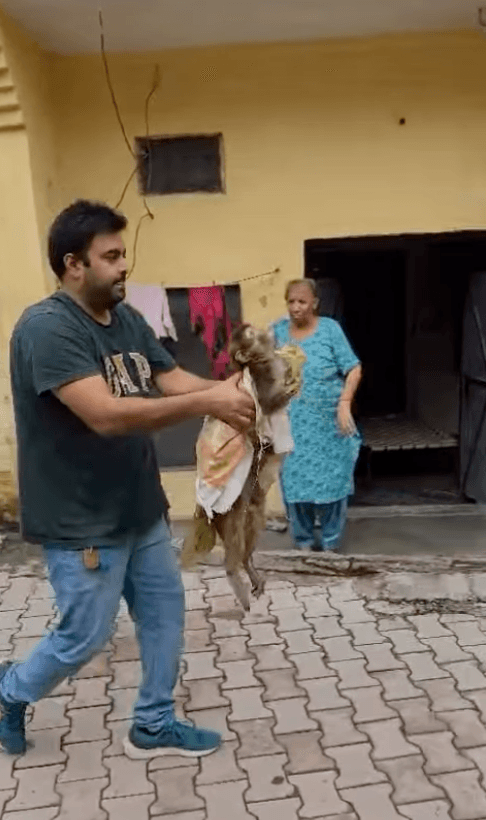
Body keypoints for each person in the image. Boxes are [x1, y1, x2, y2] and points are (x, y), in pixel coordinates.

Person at [1, 199, 255, 759]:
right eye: (110, 256)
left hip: (139, 507)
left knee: (165, 615)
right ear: (73, 264)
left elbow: (171, 379)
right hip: (82, 518)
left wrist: (233, 389)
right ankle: (10, 690)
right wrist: (209, 401)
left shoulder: (127, 319)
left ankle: (154, 722)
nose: (123, 267)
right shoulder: (46, 329)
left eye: (123, 254)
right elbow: (106, 413)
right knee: (84, 638)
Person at [273, 279, 362, 551]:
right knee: (294, 484)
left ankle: (331, 544)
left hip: (328, 424)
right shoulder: (277, 332)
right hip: (292, 424)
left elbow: (354, 368)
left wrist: (345, 402)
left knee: (333, 482)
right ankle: (303, 544)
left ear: (314, 303)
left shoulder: (330, 330)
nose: (295, 307)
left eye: (302, 301)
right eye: (291, 301)